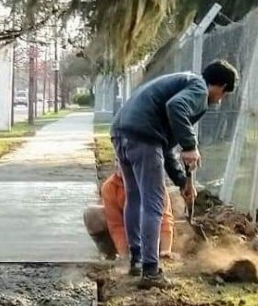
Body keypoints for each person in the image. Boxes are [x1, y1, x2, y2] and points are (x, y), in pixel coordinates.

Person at [111, 59, 238, 288]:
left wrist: (182, 181)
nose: (221, 99)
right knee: (154, 202)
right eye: (224, 94)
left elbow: (166, 148)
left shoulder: (184, 82)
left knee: (136, 197)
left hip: (123, 132)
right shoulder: (199, 87)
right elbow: (176, 107)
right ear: (221, 87)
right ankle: (151, 271)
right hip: (143, 135)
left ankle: (136, 260)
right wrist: (190, 145)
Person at [84, 161, 174, 260]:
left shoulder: (154, 184)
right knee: (91, 214)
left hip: (151, 230)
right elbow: (115, 224)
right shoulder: (109, 187)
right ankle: (110, 254)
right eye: (118, 163)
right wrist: (124, 255)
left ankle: (154, 252)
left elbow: (165, 219)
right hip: (126, 229)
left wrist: (166, 250)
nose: (119, 167)